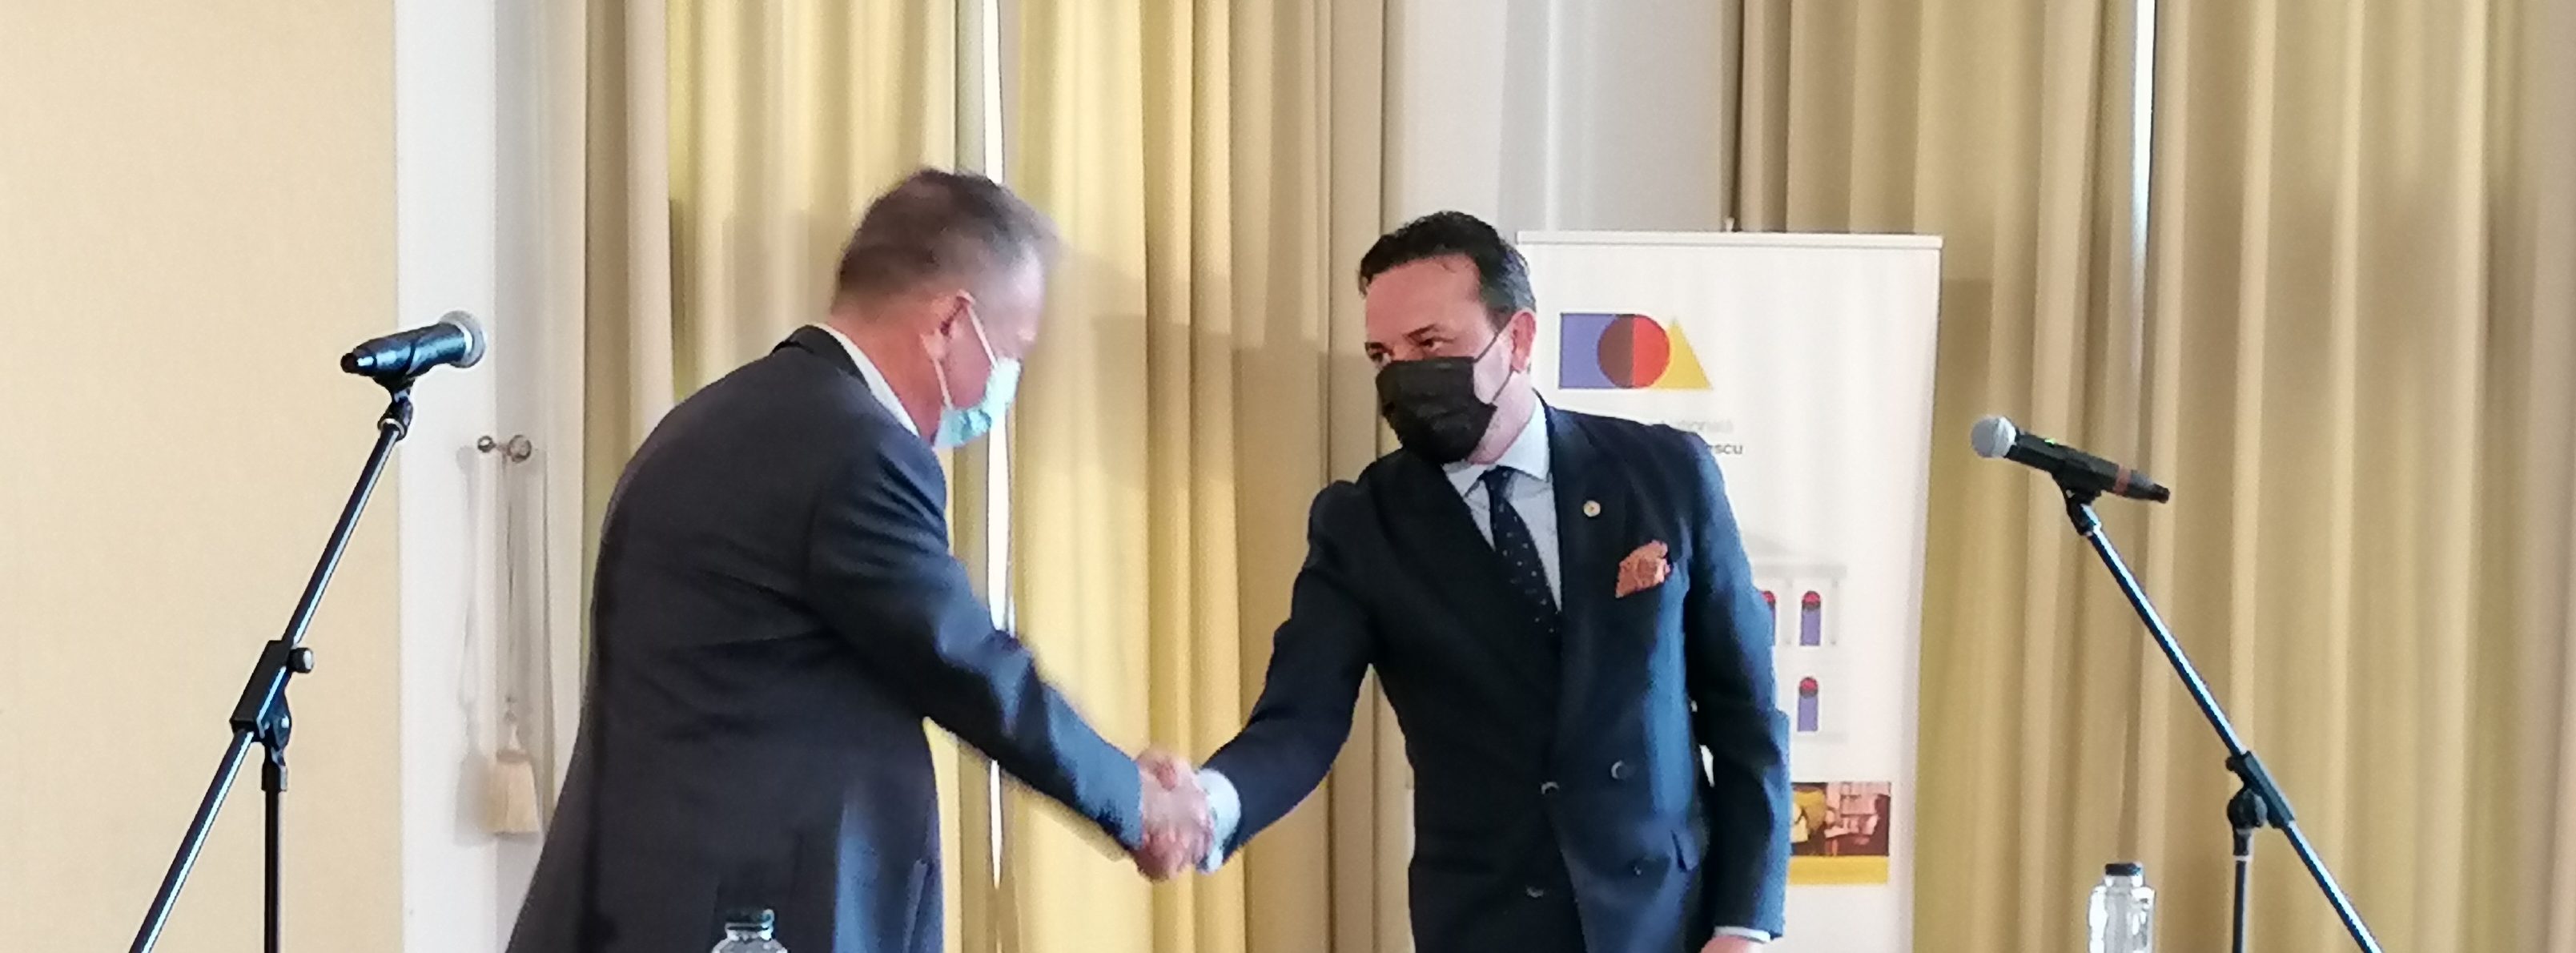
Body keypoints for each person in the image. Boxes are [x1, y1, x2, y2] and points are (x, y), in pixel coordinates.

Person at [507, 169, 1211, 953]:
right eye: (1011, 353)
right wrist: (1135, 800)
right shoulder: (858, 451)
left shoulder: (718, 417)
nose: (1004, 385)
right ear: (951, 322)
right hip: (747, 921)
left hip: (644, 904)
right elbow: (969, 664)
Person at [1154, 211, 1789, 952]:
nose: (1403, 374)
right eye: (1382, 354)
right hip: (1490, 923)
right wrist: (1211, 804)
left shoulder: (1664, 474)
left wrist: (1744, 922)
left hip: (1668, 921)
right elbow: (1302, 719)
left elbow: (1744, 714)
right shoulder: (1362, 523)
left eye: (1430, 345)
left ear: (1517, 339)